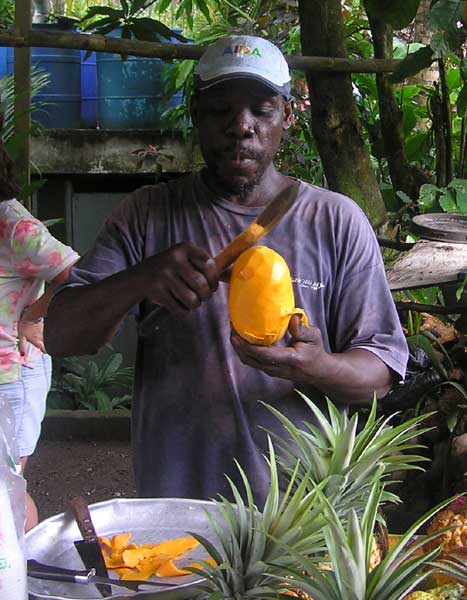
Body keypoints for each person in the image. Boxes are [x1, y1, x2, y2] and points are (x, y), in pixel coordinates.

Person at [44, 35, 408, 507]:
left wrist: (317, 366)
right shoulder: (147, 215)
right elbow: (60, 334)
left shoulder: (335, 221)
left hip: (301, 516)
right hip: (179, 512)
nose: (242, 126)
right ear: (195, 113)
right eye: (221, 110)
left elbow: (380, 374)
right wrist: (142, 278)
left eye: (261, 109)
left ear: (288, 115)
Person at [0, 131, 79, 530]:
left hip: (11, 379)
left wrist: (34, 313)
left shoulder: (15, 227)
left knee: (5, 493)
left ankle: (23, 582)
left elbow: (80, 272)